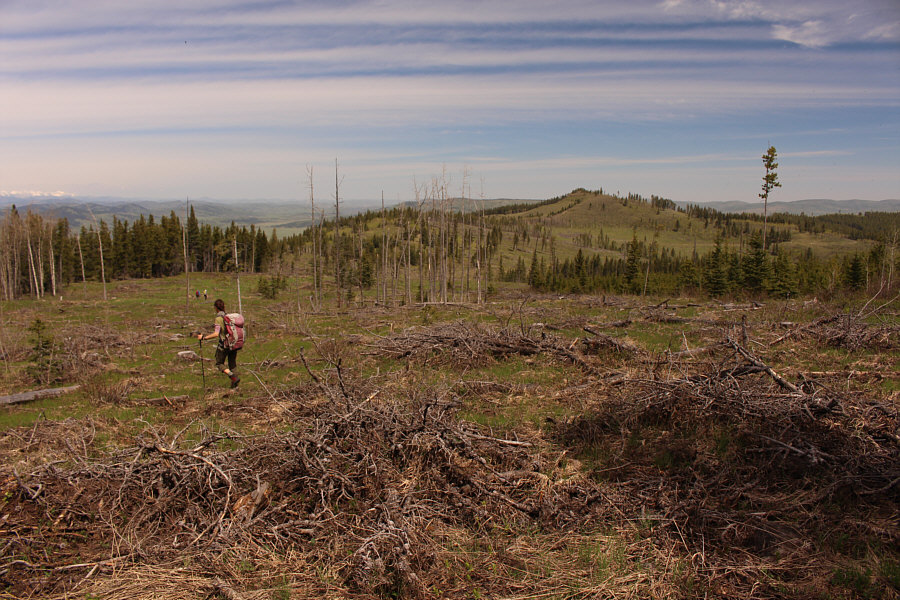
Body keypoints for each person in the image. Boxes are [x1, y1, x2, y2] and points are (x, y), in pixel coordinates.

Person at [197, 299, 240, 388]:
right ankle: (235, 386)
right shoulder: (228, 317)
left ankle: (232, 377)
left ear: (216, 308)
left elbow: (216, 334)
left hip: (224, 344)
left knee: (219, 363)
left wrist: (204, 337)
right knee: (232, 364)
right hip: (233, 343)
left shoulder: (218, 319)